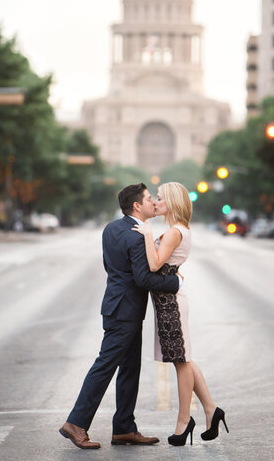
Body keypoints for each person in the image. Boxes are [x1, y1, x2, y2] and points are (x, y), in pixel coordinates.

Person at [59, 183, 181, 450]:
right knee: (105, 366)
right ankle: (76, 423)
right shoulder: (136, 236)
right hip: (125, 312)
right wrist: (175, 283)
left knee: (130, 369)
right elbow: (143, 277)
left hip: (117, 306)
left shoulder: (111, 229)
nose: (153, 203)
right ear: (137, 206)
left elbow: (111, 267)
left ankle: (124, 428)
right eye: (149, 199)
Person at [132, 181, 229, 446]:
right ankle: (211, 409)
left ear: (172, 202)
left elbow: (154, 264)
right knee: (183, 358)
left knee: (181, 361)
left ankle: (184, 421)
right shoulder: (177, 230)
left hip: (171, 304)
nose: (156, 201)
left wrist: (146, 233)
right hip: (168, 302)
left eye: (160, 198)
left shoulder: (174, 231)